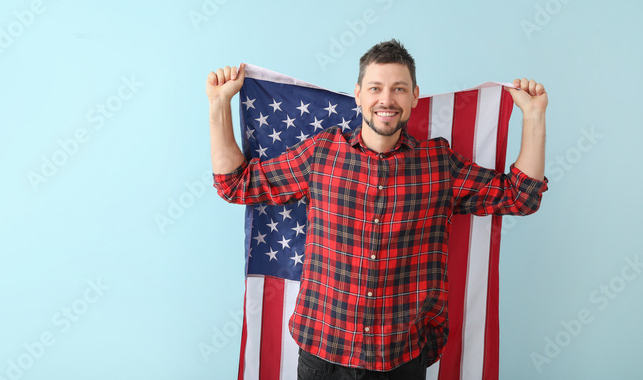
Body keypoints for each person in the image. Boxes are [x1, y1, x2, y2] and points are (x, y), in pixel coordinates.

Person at [205, 39, 548, 380]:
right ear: (358, 94)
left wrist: (533, 116)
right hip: (322, 359)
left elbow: (521, 197)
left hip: (402, 361)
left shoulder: (439, 166)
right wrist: (218, 104)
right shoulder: (322, 153)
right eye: (376, 88)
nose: (387, 100)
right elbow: (236, 185)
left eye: (399, 89)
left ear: (414, 96)